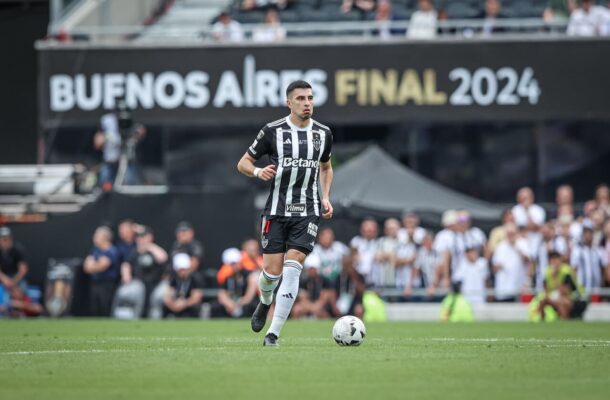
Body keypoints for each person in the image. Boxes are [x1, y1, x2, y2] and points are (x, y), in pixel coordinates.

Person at [237, 79, 334, 347]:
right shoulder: (272, 131)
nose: (307, 103)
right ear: (289, 102)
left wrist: (325, 197)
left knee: (293, 270)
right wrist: (258, 171)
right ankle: (265, 301)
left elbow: (326, 168)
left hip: (308, 211)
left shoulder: (323, 133)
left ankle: (273, 334)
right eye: (301, 98)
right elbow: (243, 162)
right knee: (271, 274)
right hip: (277, 212)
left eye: (310, 98)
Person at [113, 226, 168, 319]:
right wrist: (126, 276)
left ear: (150, 237)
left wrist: (149, 246)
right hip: (138, 284)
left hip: (155, 284)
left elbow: (163, 258)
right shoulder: (134, 251)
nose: (140, 239)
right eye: (138, 237)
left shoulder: (154, 250)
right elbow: (126, 264)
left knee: (157, 300)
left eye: (143, 236)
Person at [94, 100, 145, 190]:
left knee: (129, 184)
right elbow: (97, 142)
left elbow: (141, 132)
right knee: (105, 185)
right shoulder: (107, 121)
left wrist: (135, 135)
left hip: (126, 159)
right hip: (111, 159)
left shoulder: (131, 120)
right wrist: (105, 139)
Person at [83, 226, 121, 316]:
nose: (94, 238)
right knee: (95, 309)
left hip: (107, 285)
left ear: (105, 237)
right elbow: (86, 267)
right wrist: (95, 266)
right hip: (95, 283)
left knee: (105, 309)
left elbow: (102, 266)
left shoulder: (112, 251)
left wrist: (93, 266)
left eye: (96, 236)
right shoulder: (95, 251)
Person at [537, 251, 587, 320]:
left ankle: (563, 320)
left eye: (556, 260)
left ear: (560, 260)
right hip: (556, 296)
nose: (554, 263)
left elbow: (564, 291)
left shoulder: (566, 271)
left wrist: (555, 277)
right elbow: (545, 289)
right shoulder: (547, 271)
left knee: (562, 303)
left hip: (575, 297)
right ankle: (542, 322)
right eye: (552, 260)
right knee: (542, 301)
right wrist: (549, 297)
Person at [291, 253, 340, 319]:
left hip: (322, 307)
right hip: (308, 306)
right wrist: (313, 307)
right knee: (296, 309)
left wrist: (317, 306)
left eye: (312, 269)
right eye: (309, 269)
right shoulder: (304, 281)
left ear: (317, 269)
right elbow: (303, 299)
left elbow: (325, 298)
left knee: (322, 312)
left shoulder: (325, 281)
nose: (311, 271)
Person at [214, 248, 259, 318]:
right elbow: (222, 295)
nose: (233, 266)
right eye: (231, 264)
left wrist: (237, 304)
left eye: (234, 263)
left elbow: (249, 298)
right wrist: (229, 303)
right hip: (233, 304)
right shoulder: (227, 276)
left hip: (248, 305)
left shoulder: (250, 275)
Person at [491, 224, 529, 302]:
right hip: (503, 289)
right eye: (508, 234)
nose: (510, 236)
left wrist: (516, 247)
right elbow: (494, 268)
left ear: (517, 233)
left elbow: (528, 262)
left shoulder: (523, 244)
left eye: (512, 233)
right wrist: (498, 267)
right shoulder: (500, 246)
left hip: (519, 288)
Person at [570, 223, 606, 295]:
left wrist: (603, 283)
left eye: (589, 233)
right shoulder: (577, 250)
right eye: (585, 233)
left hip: (596, 288)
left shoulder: (598, 250)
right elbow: (573, 269)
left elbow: (603, 268)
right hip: (582, 288)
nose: (587, 235)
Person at [163, 253, 204, 318]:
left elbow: (196, 298)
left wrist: (184, 303)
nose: (183, 272)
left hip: (189, 306)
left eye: (184, 269)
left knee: (195, 308)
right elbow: (168, 296)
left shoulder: (195, 278)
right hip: (176, 304)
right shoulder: (174, 278)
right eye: (180, 270)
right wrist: (173, 305)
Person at [350, 218, 380, 285]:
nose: (369, 232)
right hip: (359, 279)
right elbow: (352, 258)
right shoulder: (356, 241)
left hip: (375, 280)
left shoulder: (380, 243)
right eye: (367, 229)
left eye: (371, 230)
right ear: (362, 230)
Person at [0, 227, 29, 292]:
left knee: (21, 290)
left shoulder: (18, 249)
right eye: (3, 239)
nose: (5, 242)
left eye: (7, 239)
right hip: (3, 279)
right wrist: (5, 280)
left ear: (11, 239)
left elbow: (23, 269)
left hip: (16, 278)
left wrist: (13, 282)